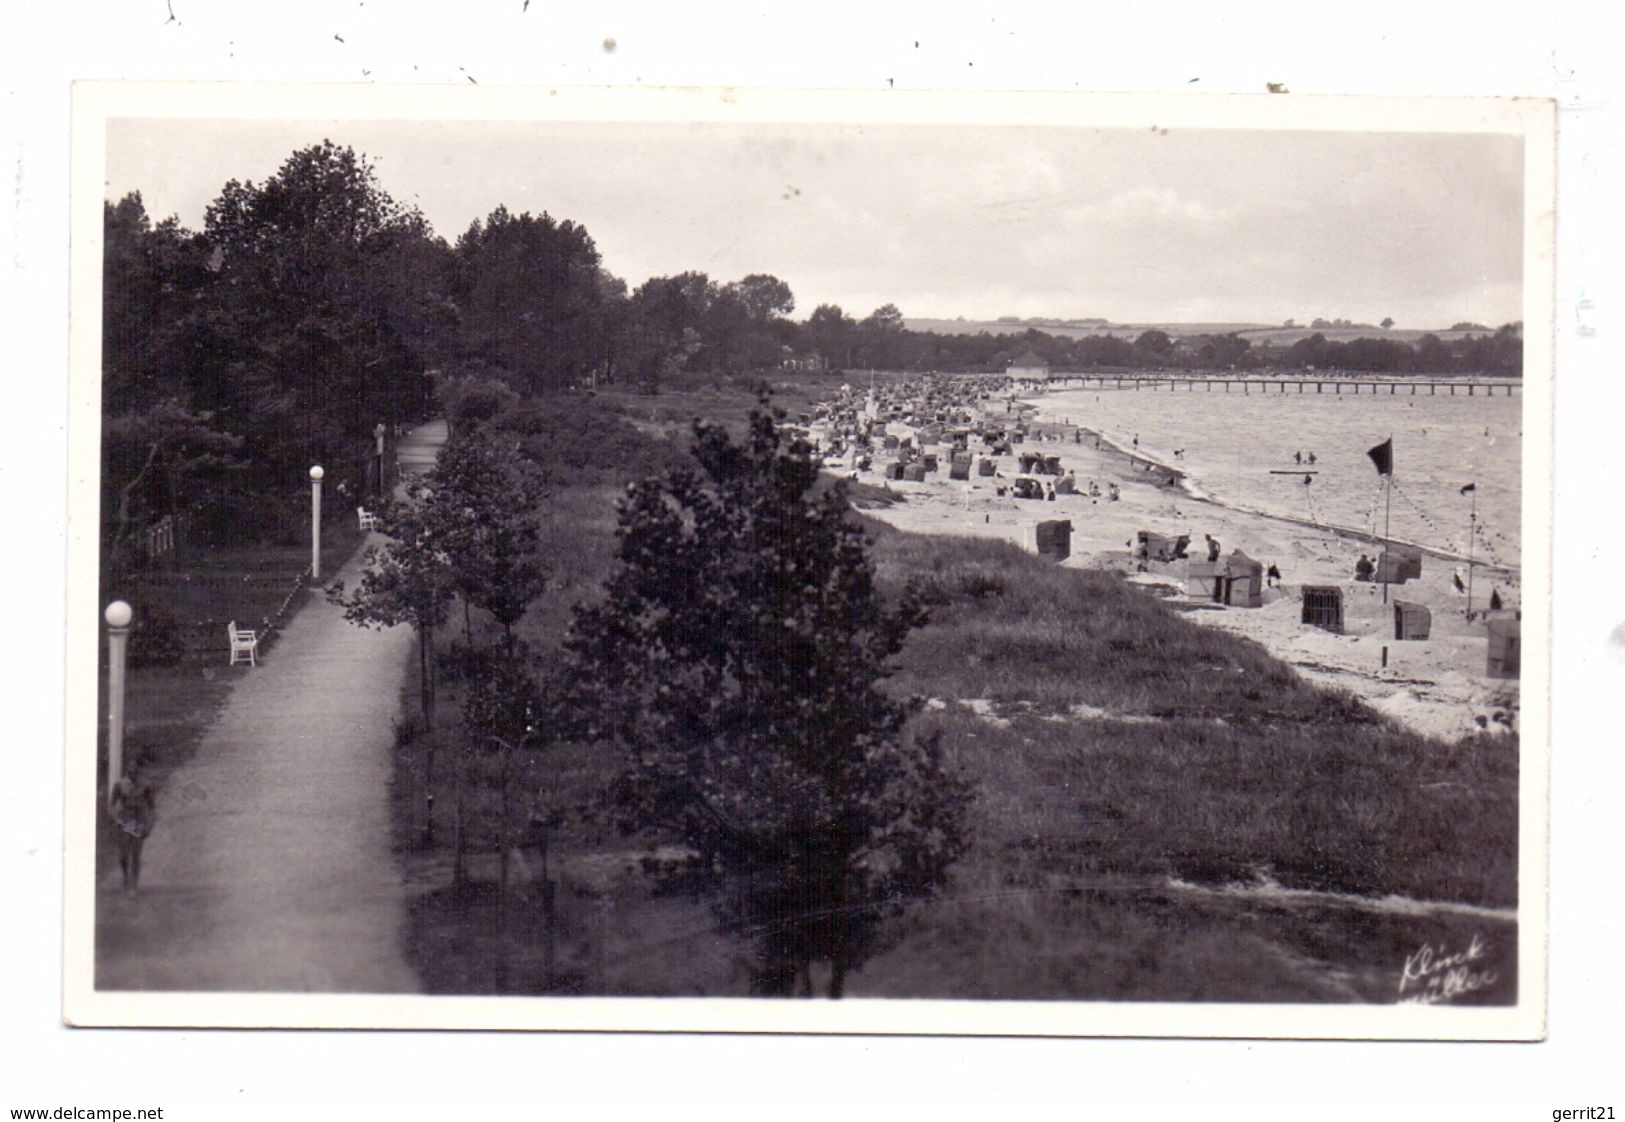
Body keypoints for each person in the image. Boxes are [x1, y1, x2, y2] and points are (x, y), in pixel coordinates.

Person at [109, 772, 157, 894]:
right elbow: (112, 805)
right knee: (123, 855)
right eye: (130, 767)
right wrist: (116, 819)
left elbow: (152, 807)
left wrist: (148, 824)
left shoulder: (146, 785)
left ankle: (133, 886)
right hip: (124, 821)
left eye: (136, 766)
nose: (133, 770)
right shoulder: (119, 785)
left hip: (139, 821)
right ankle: (125, 876)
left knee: (136, 854)